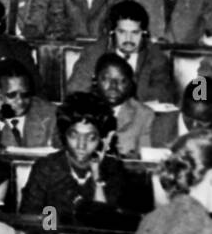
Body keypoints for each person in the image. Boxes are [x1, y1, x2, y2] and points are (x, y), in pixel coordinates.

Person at [19, 91, 129, 221]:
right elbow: (31, 219)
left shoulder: (113, 169)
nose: (81, 145)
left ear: (102, 138)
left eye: (91, 137)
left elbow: (106, 224)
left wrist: (97, 177)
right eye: (74, 136)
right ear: (64, 134)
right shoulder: (46, 168)